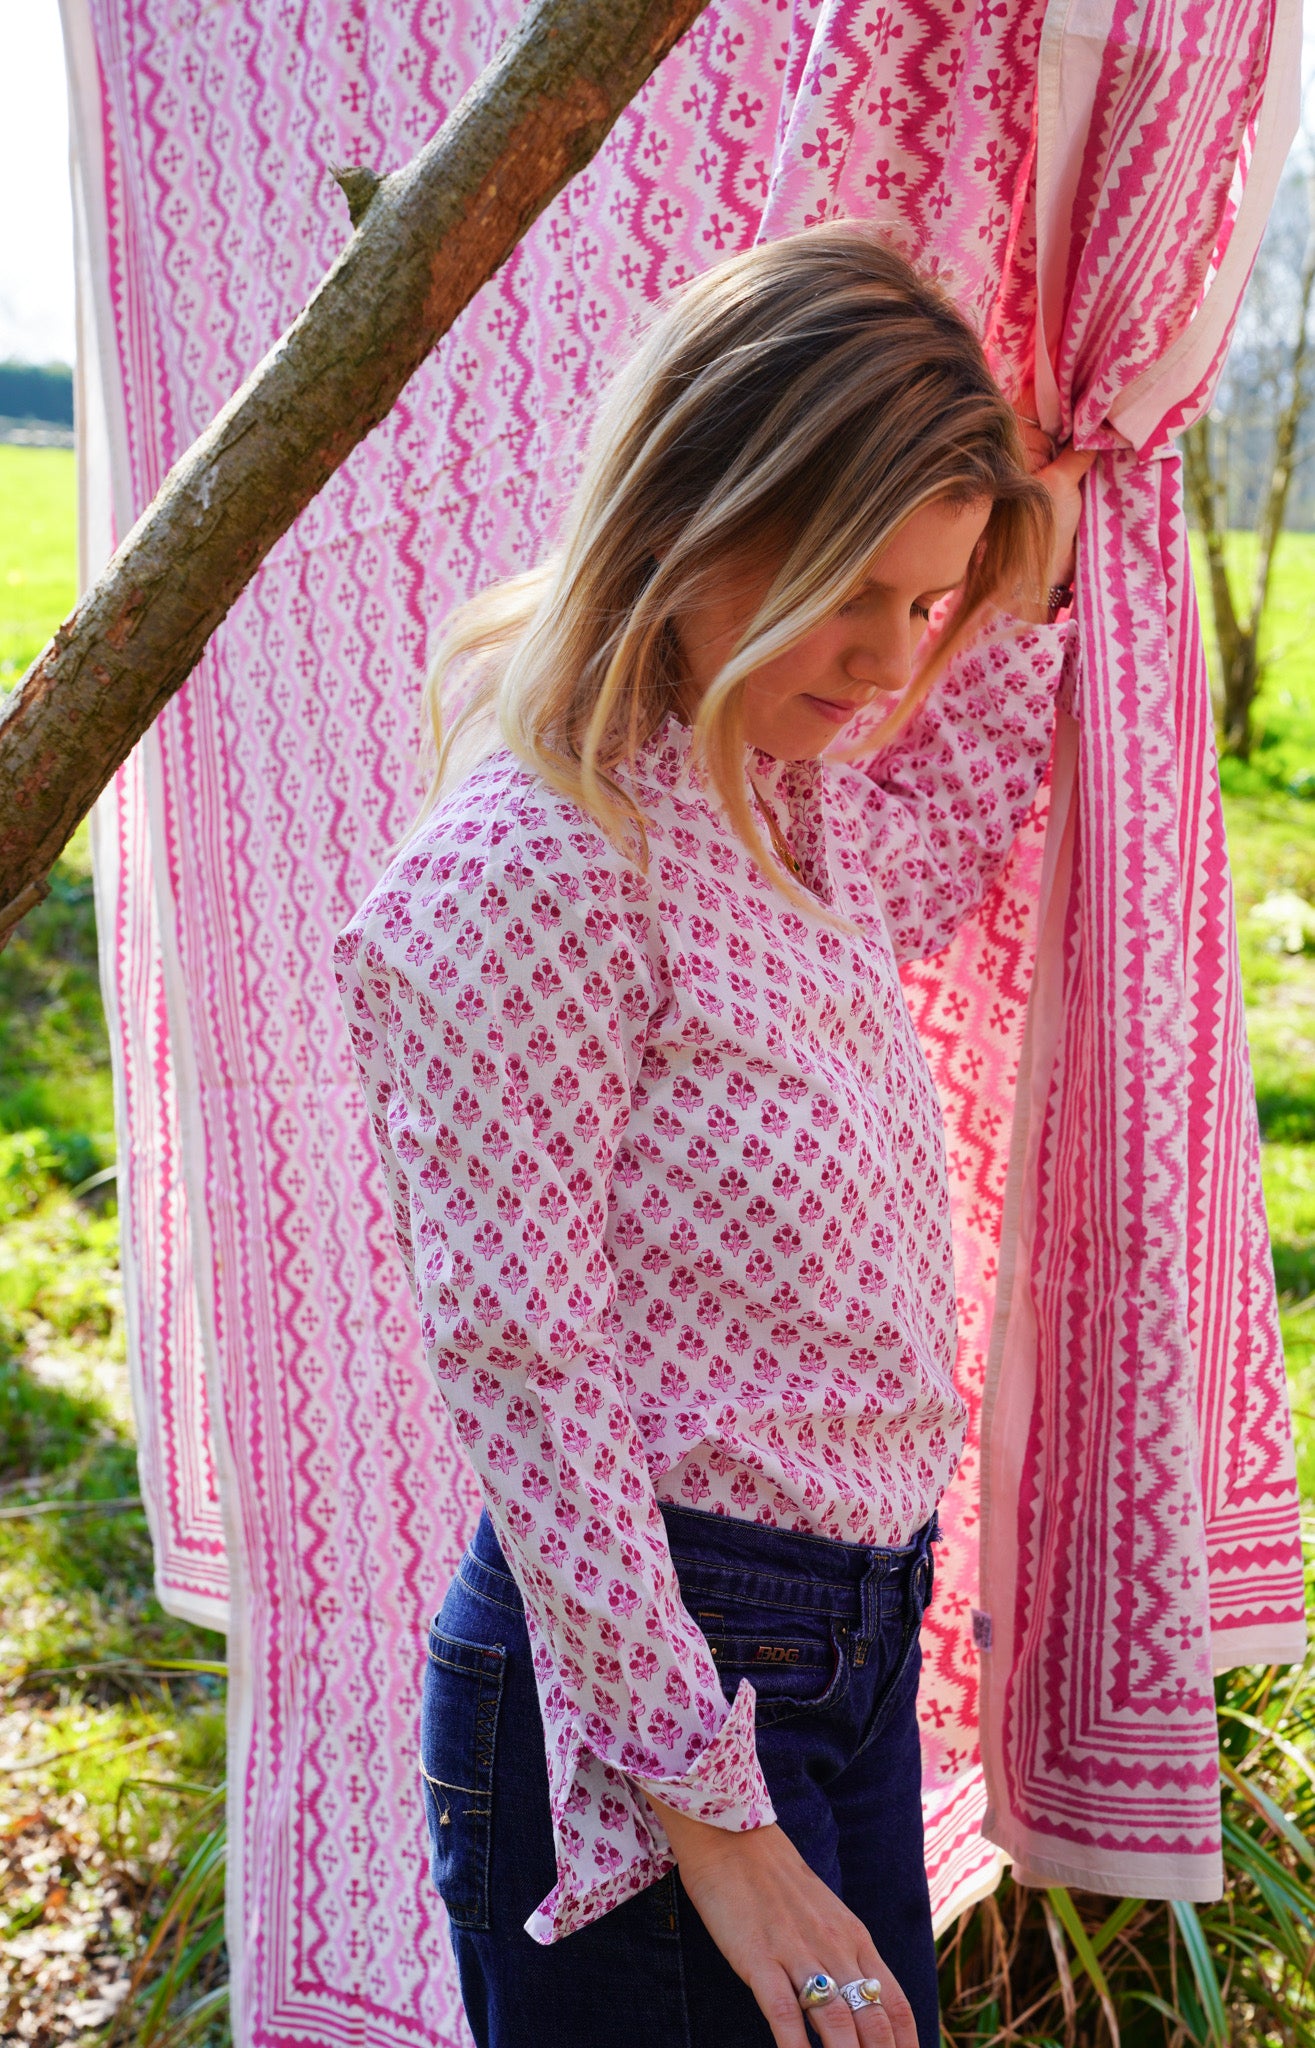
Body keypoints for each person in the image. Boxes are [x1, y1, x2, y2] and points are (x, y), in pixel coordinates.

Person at [334, 225, 1089, 2048]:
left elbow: (967, 781)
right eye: (855, 592)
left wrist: (1076, 494)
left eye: (927, 605)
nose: (889, 662)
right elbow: (526, 1367)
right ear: (696, 511)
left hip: (842, 1648)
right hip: (658, 1694)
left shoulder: (783, 798)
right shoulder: (532, 867)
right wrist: (718, 1822)